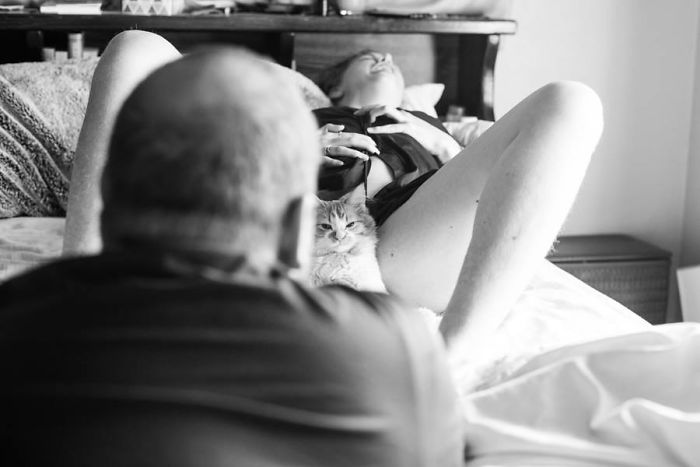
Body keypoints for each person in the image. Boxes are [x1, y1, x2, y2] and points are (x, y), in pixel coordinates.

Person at [0, 40, 464, 466]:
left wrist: (447, 146)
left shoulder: (15, 325)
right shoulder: (391, 347)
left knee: (131, 44)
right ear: (294, 230)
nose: (383, 59)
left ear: (104, 190)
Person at [61, 33, 603, 356]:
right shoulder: (294, 111)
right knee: (133, 45)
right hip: (287, 228)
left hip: (410, 236)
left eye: (389, 57)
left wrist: (445, 143)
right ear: (336, 86)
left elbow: (516, 177)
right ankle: (82, 302)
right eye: (368, 58)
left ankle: (452, 354)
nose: (384, 56)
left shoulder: (441, 128)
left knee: (573, 102)